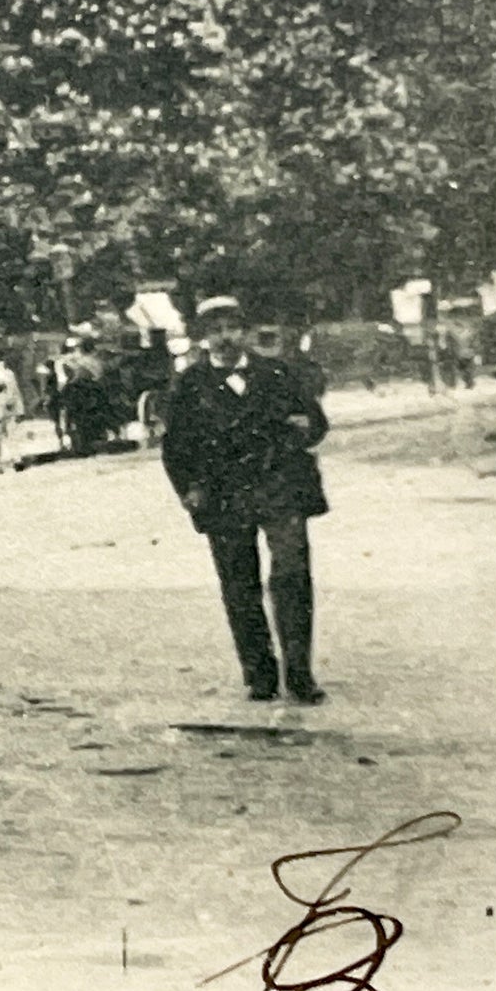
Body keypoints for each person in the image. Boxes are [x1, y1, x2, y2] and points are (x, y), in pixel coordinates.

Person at [162, 295, 330, 705]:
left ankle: (300, 674)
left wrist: (304, 427)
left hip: (278, 490)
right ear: (203, 337)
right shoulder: (189, 385)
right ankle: (259, 675)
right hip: (224, 496)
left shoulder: (278, 373)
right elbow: (176, 446)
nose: (226, 337)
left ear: (245, 331)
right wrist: (189, 490)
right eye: (216, 330)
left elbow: (316, 423)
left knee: (292, 577)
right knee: (239, 585)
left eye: (233, 328)